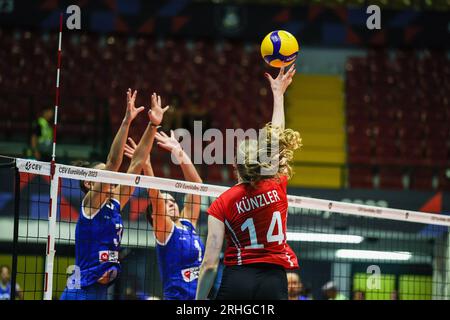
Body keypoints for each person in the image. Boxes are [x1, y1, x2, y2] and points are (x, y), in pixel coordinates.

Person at [195, 65, 301, 300]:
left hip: (238, 279)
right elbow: (277, 138)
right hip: (274, 281)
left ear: (236, 165)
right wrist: (278, 95)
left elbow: (210, 263)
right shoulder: (277, 183)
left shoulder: (221, 203)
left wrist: (198, 302)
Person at [60, 90, 169, 300]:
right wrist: (127, 121)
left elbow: (136, 164)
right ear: (89, 182)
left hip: (100, 292)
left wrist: (152, 125)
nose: (110, 178)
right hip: (80, 292)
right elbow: (113, 163)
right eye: (103, 175)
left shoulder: (114, 203)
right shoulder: (91, 203)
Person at [124, 126, 204, 300]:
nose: (171, 204)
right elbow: (155, 196)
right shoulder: (165, 231)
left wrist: (179, 153)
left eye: (173, 201)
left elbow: (197, 186)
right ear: (154, 216)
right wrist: (147, 165)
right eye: (165, 203)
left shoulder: (188, 223)